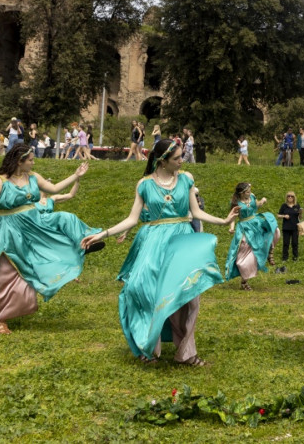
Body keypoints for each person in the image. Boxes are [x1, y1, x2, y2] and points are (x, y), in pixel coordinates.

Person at [80, 139, 236, 366]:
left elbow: (195, 212)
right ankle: (149, 346)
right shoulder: (144, 184)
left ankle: (187, 353)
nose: (182, 161)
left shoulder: (186, 180)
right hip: (153, 241)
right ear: (162, 161)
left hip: (182, 240)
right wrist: (102, 234)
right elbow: (132, 219)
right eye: (177, 158)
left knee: (189, 297)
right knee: (141, 289)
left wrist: (223, 221)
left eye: (182, 156)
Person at [0, 145, 101, 334]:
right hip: (7, 229)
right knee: (2, 272)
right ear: (19, 161)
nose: (33, 162)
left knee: (48, 247)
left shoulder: (33, 177)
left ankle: (83, 244)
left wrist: (76, 175)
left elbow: (54, 188)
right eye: (30, 159)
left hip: (33, 226)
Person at [224, 183, 280, 290]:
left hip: (256, 222)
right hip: (245, 228)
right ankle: (244, 281)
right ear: (241, 193)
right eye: (247, 191)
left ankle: (270, 251)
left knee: (275, 230)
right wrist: (231, 227)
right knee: (245, 254)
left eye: (250, 190)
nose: (249, 192)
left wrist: (262, 202)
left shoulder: (252, 197)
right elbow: (233, 217)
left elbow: (256, 205)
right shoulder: (236, 203)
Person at [278, 192, 303, 262]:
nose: (290, 197)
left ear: (294, 197)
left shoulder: (297, 206)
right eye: (288, 196)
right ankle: (285, 258)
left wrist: (301, 213)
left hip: (295, 227)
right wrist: (284, 216)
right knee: (286, 243)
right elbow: (278, 215)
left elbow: (300, 218)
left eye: (291, 196)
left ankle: (295, 257)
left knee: (295, 243)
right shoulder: (284, 206)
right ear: (286, 197)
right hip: (286, 227)